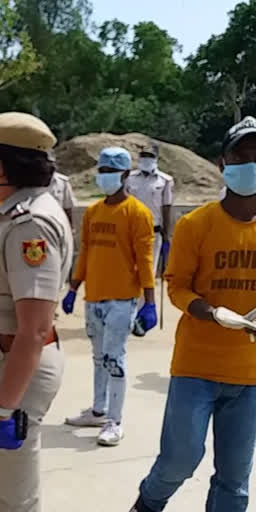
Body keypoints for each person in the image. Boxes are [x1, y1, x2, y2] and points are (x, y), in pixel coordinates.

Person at [130, 116, 256, 512]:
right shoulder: (195, 225)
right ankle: (149, 503)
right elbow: (178, 286)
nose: (251, 162)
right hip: (197, 367)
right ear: (223, 162)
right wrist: (210, 311)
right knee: (179, 460)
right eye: (242, 154)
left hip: (250, 373)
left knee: (234, 481)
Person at [0, 112, 73, 512]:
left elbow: (35, 329)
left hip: (10, 367)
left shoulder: (30, 225)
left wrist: (6, 405)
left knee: (14, 497)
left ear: (2, 167)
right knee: (7, 490)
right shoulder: (15, 213)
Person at [62, 147, 157, 447]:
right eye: (101, 171)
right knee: (98, 357)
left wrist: (149, 301)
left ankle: (115, 421)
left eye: (110, 172)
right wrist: (74, 287)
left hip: (122, 299)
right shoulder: (93, 212)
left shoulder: (138, 214)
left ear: (125, 175)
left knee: (115, 359)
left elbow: (144, 259)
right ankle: (98, 409)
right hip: (95, 297)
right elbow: (86, 253)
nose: (104, 177)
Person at [125, 142, 174, 275]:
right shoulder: (129, 178)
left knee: (148, 271)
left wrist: (167, 235)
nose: (146, 158)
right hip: (131, 231)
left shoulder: (165, 180)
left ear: (156, 158)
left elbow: (167, 207)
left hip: (153, 232)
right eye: (143, 155)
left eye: (150, 156)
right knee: (129, 270)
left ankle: (145, 297)